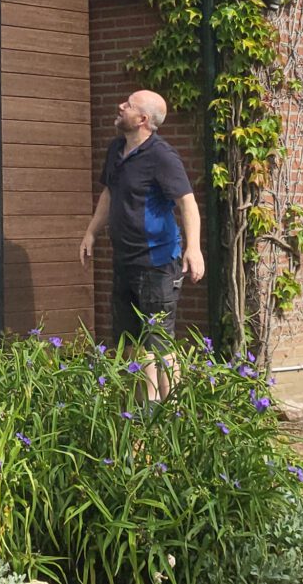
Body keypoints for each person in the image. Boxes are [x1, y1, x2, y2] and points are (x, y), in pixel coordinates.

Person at [79, 89, 203, 387]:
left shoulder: (162, 156)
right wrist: (91, 232)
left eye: (128, 105)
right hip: (125, 262)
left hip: (157, 264)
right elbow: (109, 193)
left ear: (143, 120)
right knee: (131, 341)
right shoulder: (116, 150)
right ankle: (142, 414)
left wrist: (194, 248)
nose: (120, 106)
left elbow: (187, 202)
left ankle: (171, 413)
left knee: (159, 343)